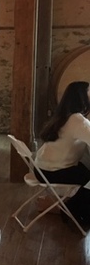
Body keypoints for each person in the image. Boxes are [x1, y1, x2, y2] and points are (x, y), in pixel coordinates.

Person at [34, 81, 90, 226]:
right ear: (82, 97)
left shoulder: (65, 116)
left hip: (41, 168)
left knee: (86, 170)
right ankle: (73, 210)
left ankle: (69, 207)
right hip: (52, 171)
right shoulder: (78, 120)